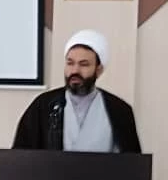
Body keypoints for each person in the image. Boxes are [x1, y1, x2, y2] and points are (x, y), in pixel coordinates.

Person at [12, 29, 142, 153]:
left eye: (84, 64)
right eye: (70, 63)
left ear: (99, 70)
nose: (75, 71)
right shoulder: (44, 105)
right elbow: (21, 156)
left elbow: (132, 162)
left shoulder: (119, 110)